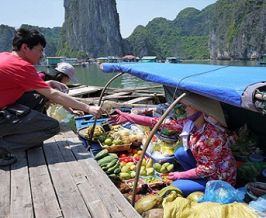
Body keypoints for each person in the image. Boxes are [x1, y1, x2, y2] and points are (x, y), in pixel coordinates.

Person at [0, 27, 103, 166]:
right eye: (40, 50)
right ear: (25, 47)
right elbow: (53, 94)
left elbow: (23, 86)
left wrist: (48, 83)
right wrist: (88, 108)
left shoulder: (5, 57)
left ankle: (28, 138)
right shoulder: (21, 66)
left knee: (39, 96)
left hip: (5, 108)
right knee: (52, 127)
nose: (42, 55)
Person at [108, 93, 237, 196]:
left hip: (218, 178)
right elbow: (158, 122)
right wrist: (129, 117)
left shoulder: (212, 136)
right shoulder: (190, 124)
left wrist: (180, 175)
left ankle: (192, 181)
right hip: (205, 168)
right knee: (180, 152)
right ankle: (191, 178)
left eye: (188, 106)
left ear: (201, 110)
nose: (185, 108)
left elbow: (207, 169)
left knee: (176, 186)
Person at [16, 62, 83, 115]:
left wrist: (72, 111)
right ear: (62, 76)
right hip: (23, 105)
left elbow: (60, 99)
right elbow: (25, 88)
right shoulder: (41, 76)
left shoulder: (57, 86)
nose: (68, 81)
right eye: (68, 79)